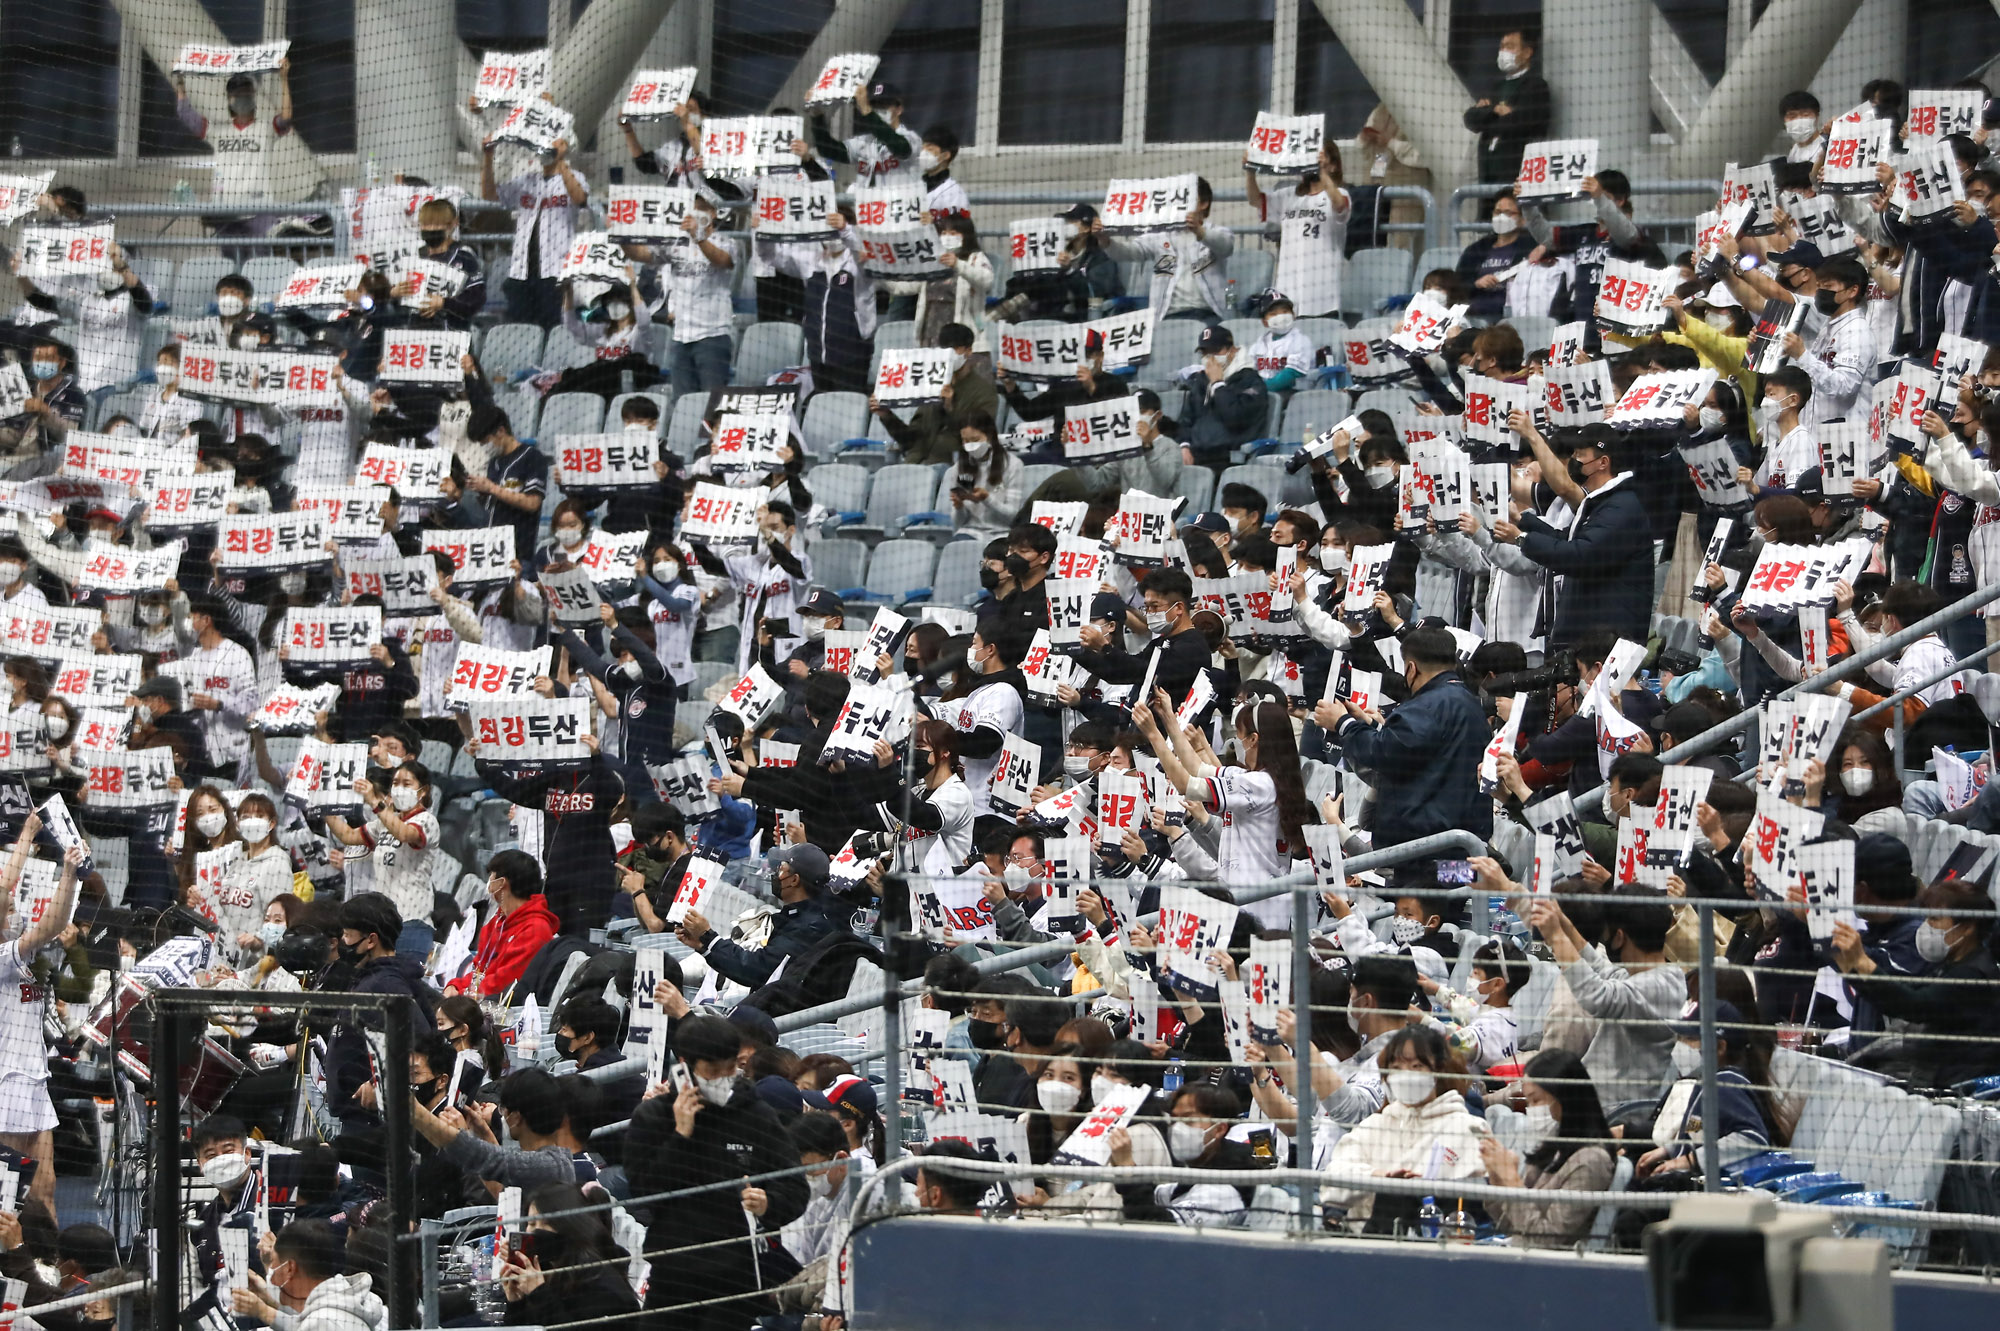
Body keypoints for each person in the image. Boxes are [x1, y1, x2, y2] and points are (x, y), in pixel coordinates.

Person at [625, 1014, 809, 1330]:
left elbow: (795, 1186)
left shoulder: (757, 1114)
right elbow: (644, 1190)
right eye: (713, 1070)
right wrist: (681, 1136)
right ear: (686, 1064)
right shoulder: (654, 1116)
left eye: (731, 1067)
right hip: (673, 1270)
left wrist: (769, 1203)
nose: (724, 1077)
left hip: (735, 1274)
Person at [1323, 626, 1491, 848]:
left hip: (1423, 853)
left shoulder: (1425, 706)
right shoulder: (1472, 703)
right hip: (1462, 849)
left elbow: (1384, 754)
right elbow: (1422, 751)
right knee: (1455, 875)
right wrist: (1368, 724)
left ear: (1411, 668)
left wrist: (1343, 724)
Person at [1500, 425, 1656, 649]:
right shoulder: (1603, 502)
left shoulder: (1621, 508)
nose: (1574, 460)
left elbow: (1581, 556)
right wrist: (1522, 521)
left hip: (1608, 640)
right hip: (1591, 634)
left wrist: (1522, 539)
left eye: (1580, 455)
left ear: (1603, 462)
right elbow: (1568, 540)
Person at [1321, 1026, 1487, 1230]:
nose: (1405, 1075)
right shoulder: (1373, 1126)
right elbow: (1332, 1182)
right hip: (1366, 1240)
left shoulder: (1469, 1128)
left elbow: (1477, 1198)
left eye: (1416, 1066)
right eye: (1396, 1068)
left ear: (1438, 1070)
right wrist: (1380, 1178)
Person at [1478, 1049, 1616, 1247]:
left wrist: (1512, 1181)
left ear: (1564, 1096)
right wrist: (1497, 1177)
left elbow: (1545, 1240)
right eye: (1528, 1101)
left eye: (1536, 1100)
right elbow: (1510, 1224)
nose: (1530, 1108)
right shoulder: (1552, 1146)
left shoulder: (1592, 1161)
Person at [675, 842, 842, 989]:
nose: (775, 874)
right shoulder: (803, 915)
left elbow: (755, 969)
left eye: (781, 868)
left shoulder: (810, 927)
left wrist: (708, 937)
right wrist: (702, 945)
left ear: (794, 880)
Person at [481, 127, 590, 328]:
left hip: (556, 272)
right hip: (521, 272)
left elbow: (580, 198)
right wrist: (488, 157)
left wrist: (560, 160)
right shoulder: (527, 180)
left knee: (554, 328)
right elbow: (489, 194)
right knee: (520, 330)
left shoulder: (575, 177)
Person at [496, 1182, 640, 1327]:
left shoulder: (599, 1283)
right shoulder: (546, 1269)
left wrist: (538, 1293)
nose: (537, 1231)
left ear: (570, 1226)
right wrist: (517, 1302)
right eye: (532, 1224)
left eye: (547, 1223)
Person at [172, 61, 295, 202]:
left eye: (246, 92)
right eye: (237, 94)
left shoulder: (266, 128)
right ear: (230, 99)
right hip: (224, 207)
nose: (242, 96)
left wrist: (284, 78)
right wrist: (180, 79)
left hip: (258, 206)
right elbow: (185, 113)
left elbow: (286, 118)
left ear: (253, 96)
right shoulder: (218, 130)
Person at [448, 851, 558, 998]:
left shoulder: (535, 929)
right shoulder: (498, 921)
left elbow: (504, 982)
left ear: (502, 883)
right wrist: (455, 985)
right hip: (476, 998)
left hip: (499, 1004)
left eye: (492, 875)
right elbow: (478, 971)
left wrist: (460, 995)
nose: (489, 881)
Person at [1463, 25, 1551, 189]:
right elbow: (1470, 119)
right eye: (1502, 47)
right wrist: (1495, 110)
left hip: (1517, 178)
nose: (1504, 51)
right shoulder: (1496, 88)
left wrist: (1487, 117)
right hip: (1487, 176)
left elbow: (1518, 123)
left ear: (1527, 52)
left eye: (1510, 46)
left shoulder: (1535, 86)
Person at [1179, 324, 1272, 472]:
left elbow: (1235, 418)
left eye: (1216, 351)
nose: (1210, 358)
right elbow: (1186, 419)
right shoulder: (1201, 381)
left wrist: (1218, 384)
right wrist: (1184, 446)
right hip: (1195, 458)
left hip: (1230, 460)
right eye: (1205, 352)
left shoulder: (1251, 381)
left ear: (1232, 350)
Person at [263, 1218, 385, 1331]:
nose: (271, 1277)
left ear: (290, 1268)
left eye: (272, 1262)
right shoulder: (340, 1303)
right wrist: (262, 1309)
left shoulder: (321, 1323)